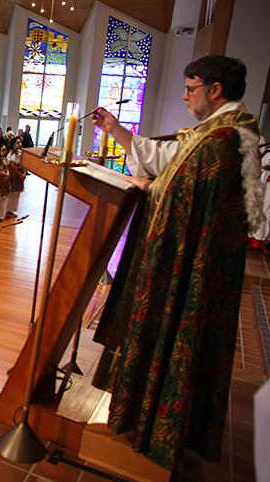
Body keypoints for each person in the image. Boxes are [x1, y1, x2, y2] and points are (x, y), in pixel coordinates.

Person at [90, 55, 263, 471]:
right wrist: (117, 132)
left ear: (214, 89)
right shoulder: (220, 133)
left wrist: (149, 186)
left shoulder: (223, 140)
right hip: (202, 264)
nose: (185, 97)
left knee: (175, 338)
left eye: (190, 88)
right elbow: (173, 161)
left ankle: (155, 424)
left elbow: (182, 188)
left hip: (190, 269)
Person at [7, 137, 25, 216]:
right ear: (13, 145)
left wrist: (24, 173)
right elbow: (13, 165)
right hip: (14, 174)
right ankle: (8, 210)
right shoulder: (12, 154)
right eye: (17, 143)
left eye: (20, 142)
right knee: (12, 192)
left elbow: (23, 163)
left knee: (17, 193)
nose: (20, 144)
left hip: (19, 172)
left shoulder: (20, 152)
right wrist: (20, 175)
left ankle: (12, 209)